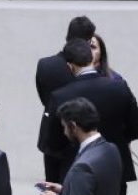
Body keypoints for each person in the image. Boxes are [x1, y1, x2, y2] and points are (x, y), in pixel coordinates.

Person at [41, 39, 138, 195]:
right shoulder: (120, 88)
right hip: (115, 168)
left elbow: (52, 144)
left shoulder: (60, 96)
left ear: (69, 66)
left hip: (74, 168)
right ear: (93, 58)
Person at [39, 97, 123, 195]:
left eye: (64, 127)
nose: (64, 132)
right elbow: (98, 191)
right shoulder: (111, 149)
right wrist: (65, 189)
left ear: (73, 126)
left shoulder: (82, 167)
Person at [35, 16, 96, 183]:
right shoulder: (90, 68)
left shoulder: (45, 65)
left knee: (52, 186)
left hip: (51, 136)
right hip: (81, 137)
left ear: (67, 36)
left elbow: (45, 98)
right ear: (89, 40)